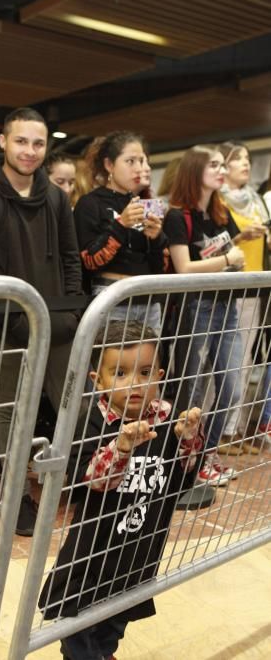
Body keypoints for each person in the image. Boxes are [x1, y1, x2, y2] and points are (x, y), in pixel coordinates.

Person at [39, 321, 203, 660]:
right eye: (120, 373)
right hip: (95, 548)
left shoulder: (168, 419)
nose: (135, 384)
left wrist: (188, 439)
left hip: (142, 543)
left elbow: (183, 477)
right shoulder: (92, 423)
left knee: (119, 615)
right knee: (76, 618)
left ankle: (104, 650)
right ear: (97, 380)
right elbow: (93, 478)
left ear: (159, 375)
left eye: (144, 373)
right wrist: (123, 446)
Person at [0, 107, 82, 536]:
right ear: (4, 143)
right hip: (5, 330)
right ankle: (17, 498)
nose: (30, 151)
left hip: (58, 326)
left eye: (39, 143)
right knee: (15, 414)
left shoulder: (56, 198)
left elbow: (70, 260)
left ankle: (82, 480)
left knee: (71, 403)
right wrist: (16, 326)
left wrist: (69, 314)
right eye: (22, 141)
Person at [163, 144, 246, 485]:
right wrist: (228, 260)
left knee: (231, 387)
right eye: (213, 164)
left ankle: (206, 453)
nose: (221, 169)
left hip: (226, 305)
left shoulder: (220, 212)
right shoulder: (177, 215)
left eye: (221, 164)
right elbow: (184, 268)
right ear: (195, 169)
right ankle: (187, 463)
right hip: (195, 307)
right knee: (192, 390)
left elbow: (235, 247)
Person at [73, 131, 167, 334]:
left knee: (149, 363)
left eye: (142, 161)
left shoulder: (145, 204)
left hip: (149, 299)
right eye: (130, 161)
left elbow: (161, 266)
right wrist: (121, 224)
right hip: (112, 299)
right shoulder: (90, 203)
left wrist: (157, 238)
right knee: (111, 364)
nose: (139, 168)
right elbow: (89, 260)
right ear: (109, 165)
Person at [218, 141, 270, 455]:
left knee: (246, 358)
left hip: (256, 284)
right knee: (222, 362)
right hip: (229, 283)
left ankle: (234, 430)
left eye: (248, 159)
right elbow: (213, 243)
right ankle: (216, 431)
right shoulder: (219, 200)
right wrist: (241, 237)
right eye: (238, 159)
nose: (245, 164)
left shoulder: (256, 200)